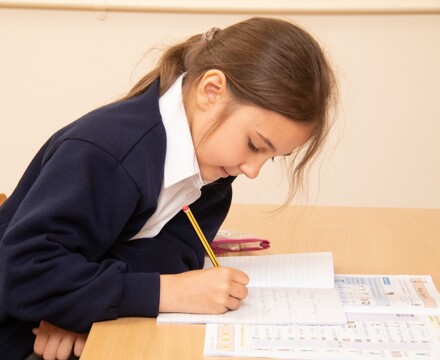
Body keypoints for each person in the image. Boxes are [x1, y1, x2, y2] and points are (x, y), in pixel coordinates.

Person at [0, 16, 337, 360]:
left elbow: (176, 255)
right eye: (254, 144)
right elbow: (22, 275)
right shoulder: (107, 154)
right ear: (211, 91)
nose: (253, 170)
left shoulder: (213, 178)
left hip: (67, 332)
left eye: (273, 157)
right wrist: (166, 293)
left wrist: (78, 306)